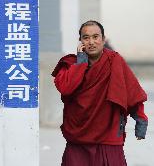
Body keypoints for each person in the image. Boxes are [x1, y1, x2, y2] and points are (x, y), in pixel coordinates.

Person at [51, 20, 148, 166]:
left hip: (108, 138)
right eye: (86, 37)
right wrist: (81, 63)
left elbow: (131, 92)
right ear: (81, 41)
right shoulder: (70, 64)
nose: (91, 42)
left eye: (95, 37)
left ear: (103, 39)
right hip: (78, 140)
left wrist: (140, 120)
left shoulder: (114, 61)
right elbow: (66, 87)